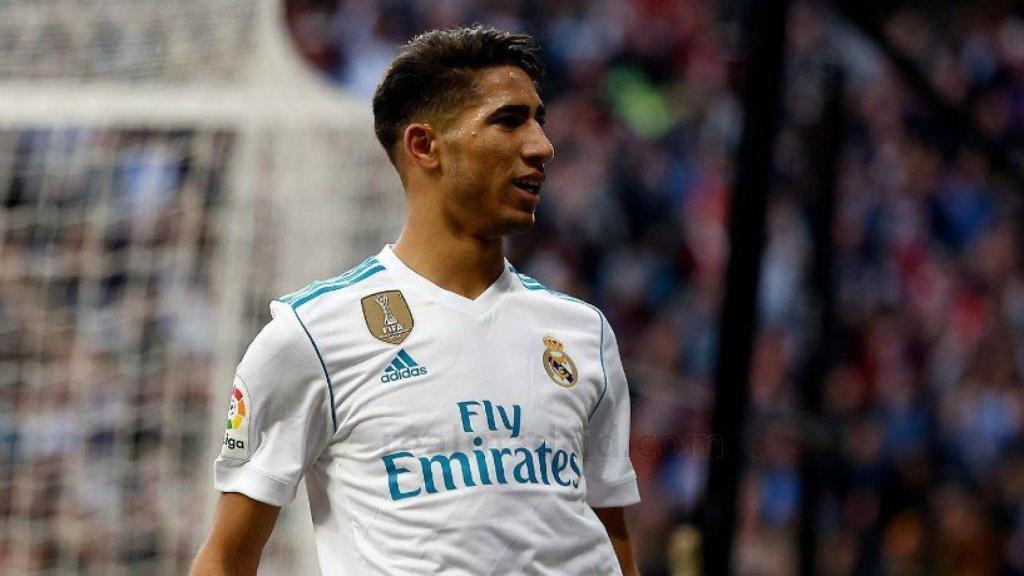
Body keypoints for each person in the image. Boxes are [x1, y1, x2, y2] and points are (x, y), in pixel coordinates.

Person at [191, 26, 640, 575]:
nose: (542, 145)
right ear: (425, 145)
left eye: (538, 119)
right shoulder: (311, 335)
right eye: (509, 120)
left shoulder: (583, 332)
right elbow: (227, 557)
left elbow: (609, 537)